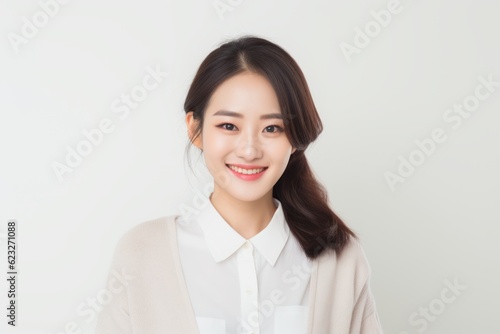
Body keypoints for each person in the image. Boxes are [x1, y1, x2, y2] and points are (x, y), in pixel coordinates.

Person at [95, 36, 384, 334]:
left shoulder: (339, 258)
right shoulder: (143, 253)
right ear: (195, 129)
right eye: (229, 126)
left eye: (272, 128)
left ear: (295, 138)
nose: (249, 150)